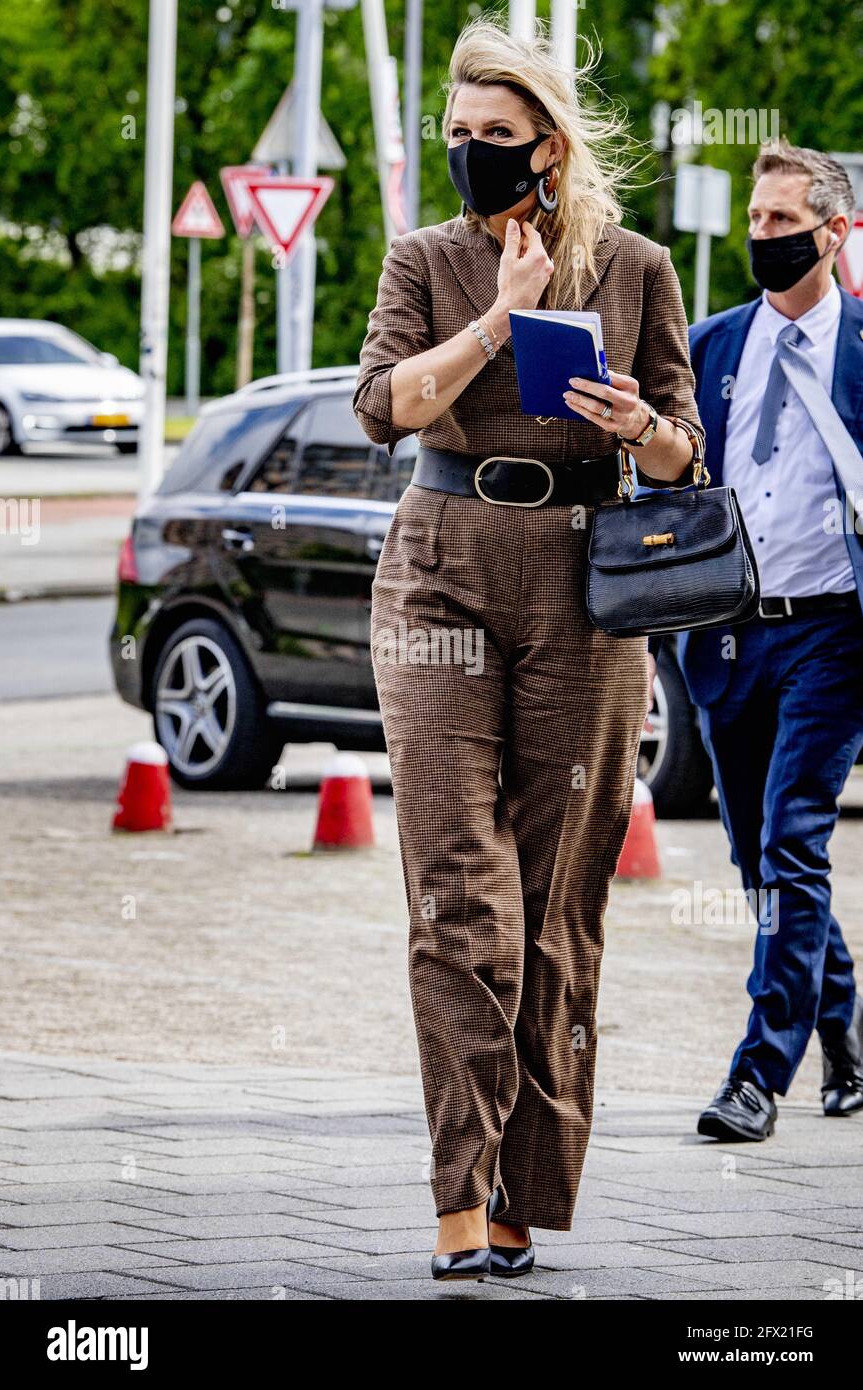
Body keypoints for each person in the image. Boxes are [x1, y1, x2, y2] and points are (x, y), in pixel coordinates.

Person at [352, 14, 703, 1281]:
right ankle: (457, 1189)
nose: (471, 156)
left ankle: (524, 1190)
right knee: (459, 894)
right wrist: (498, 320)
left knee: (558, 909)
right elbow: (384, 404)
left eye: (494, 137)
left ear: (548, 149)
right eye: (455, 136)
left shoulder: (635, 265)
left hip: (586, 586)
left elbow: (680, 445)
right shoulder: (425, 258)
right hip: (439, 570)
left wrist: (639, 428)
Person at [680, 139, 863, 1142]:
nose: (762, 236)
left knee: (793, 838)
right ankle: (842, 1025)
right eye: (753, 221)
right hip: (721, 638)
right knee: (759, 861)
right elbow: (677, 478)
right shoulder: (712, 344)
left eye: (781, 223)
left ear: (831, 233)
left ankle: (757, 1071)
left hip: (830, 633)